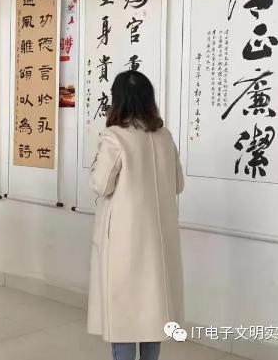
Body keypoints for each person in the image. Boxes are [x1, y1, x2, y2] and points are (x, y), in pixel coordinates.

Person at [87, 70, 184, 360]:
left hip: (125, 241)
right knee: (154, 314)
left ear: (118, 100)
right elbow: (178, 184)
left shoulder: (115, 137)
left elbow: (101, 185)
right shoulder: (164, 136)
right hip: (159, 240)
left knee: (124, 316)